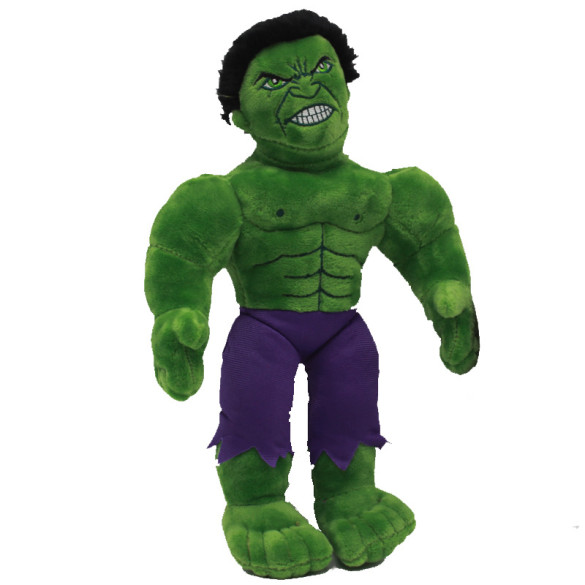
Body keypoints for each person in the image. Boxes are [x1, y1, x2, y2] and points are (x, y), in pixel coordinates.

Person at [145, 9, 479, 578]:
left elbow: (428, 244)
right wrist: (179, 318)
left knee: (352, 401)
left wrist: (448, 297)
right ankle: (255, 504)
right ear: (239, 115)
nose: (305, 87)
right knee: (254, 404)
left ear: (346, 85)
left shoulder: (383, 190)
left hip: (343, 328)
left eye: (321, 68)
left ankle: (351, 498)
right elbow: (183, 258)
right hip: (265, 326)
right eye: (274, 80)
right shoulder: (223, 196)